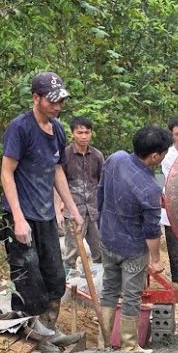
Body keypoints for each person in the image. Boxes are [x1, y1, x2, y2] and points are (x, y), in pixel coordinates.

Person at [0, 71, 84, 353]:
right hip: (21, 215)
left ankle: (49, 332)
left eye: (61, 101)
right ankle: (29, 338)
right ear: (36, 98)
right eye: (52, 101)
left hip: (46, 213)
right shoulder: (20, 128)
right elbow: (7, 173)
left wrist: (73, 210)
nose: (58, 106)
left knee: (54, 274)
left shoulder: (57, 129)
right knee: (27, 274)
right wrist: (18, 218)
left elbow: (56, 170)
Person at [98, 125, 173, 352]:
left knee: (109, 290)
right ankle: (129, 344)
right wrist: (156, 259)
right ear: (155, 156)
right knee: (131, 295)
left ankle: (103, 342)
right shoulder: (149, 188)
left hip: (107, 237)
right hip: (132, 249)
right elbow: (151, 230)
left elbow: (101, 192)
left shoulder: (116, 158)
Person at [60, 116, 104, 275]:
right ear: (72, 134)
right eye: (80, 132)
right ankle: (66, 284)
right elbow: (58, 182)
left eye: (87, 132)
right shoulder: (65, 155)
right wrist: (60, 204)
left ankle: (99, 281)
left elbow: (101, 183)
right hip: (73, 209)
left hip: (93, 209)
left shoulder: (97, 156)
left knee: (99, 247)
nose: (84, 136)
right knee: (72, 249)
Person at [157, 116, 178, 285]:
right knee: (174, 245)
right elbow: (177, 178)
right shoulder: (168, 156)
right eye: (177, 134)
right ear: (172, 136)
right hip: (173, 203)